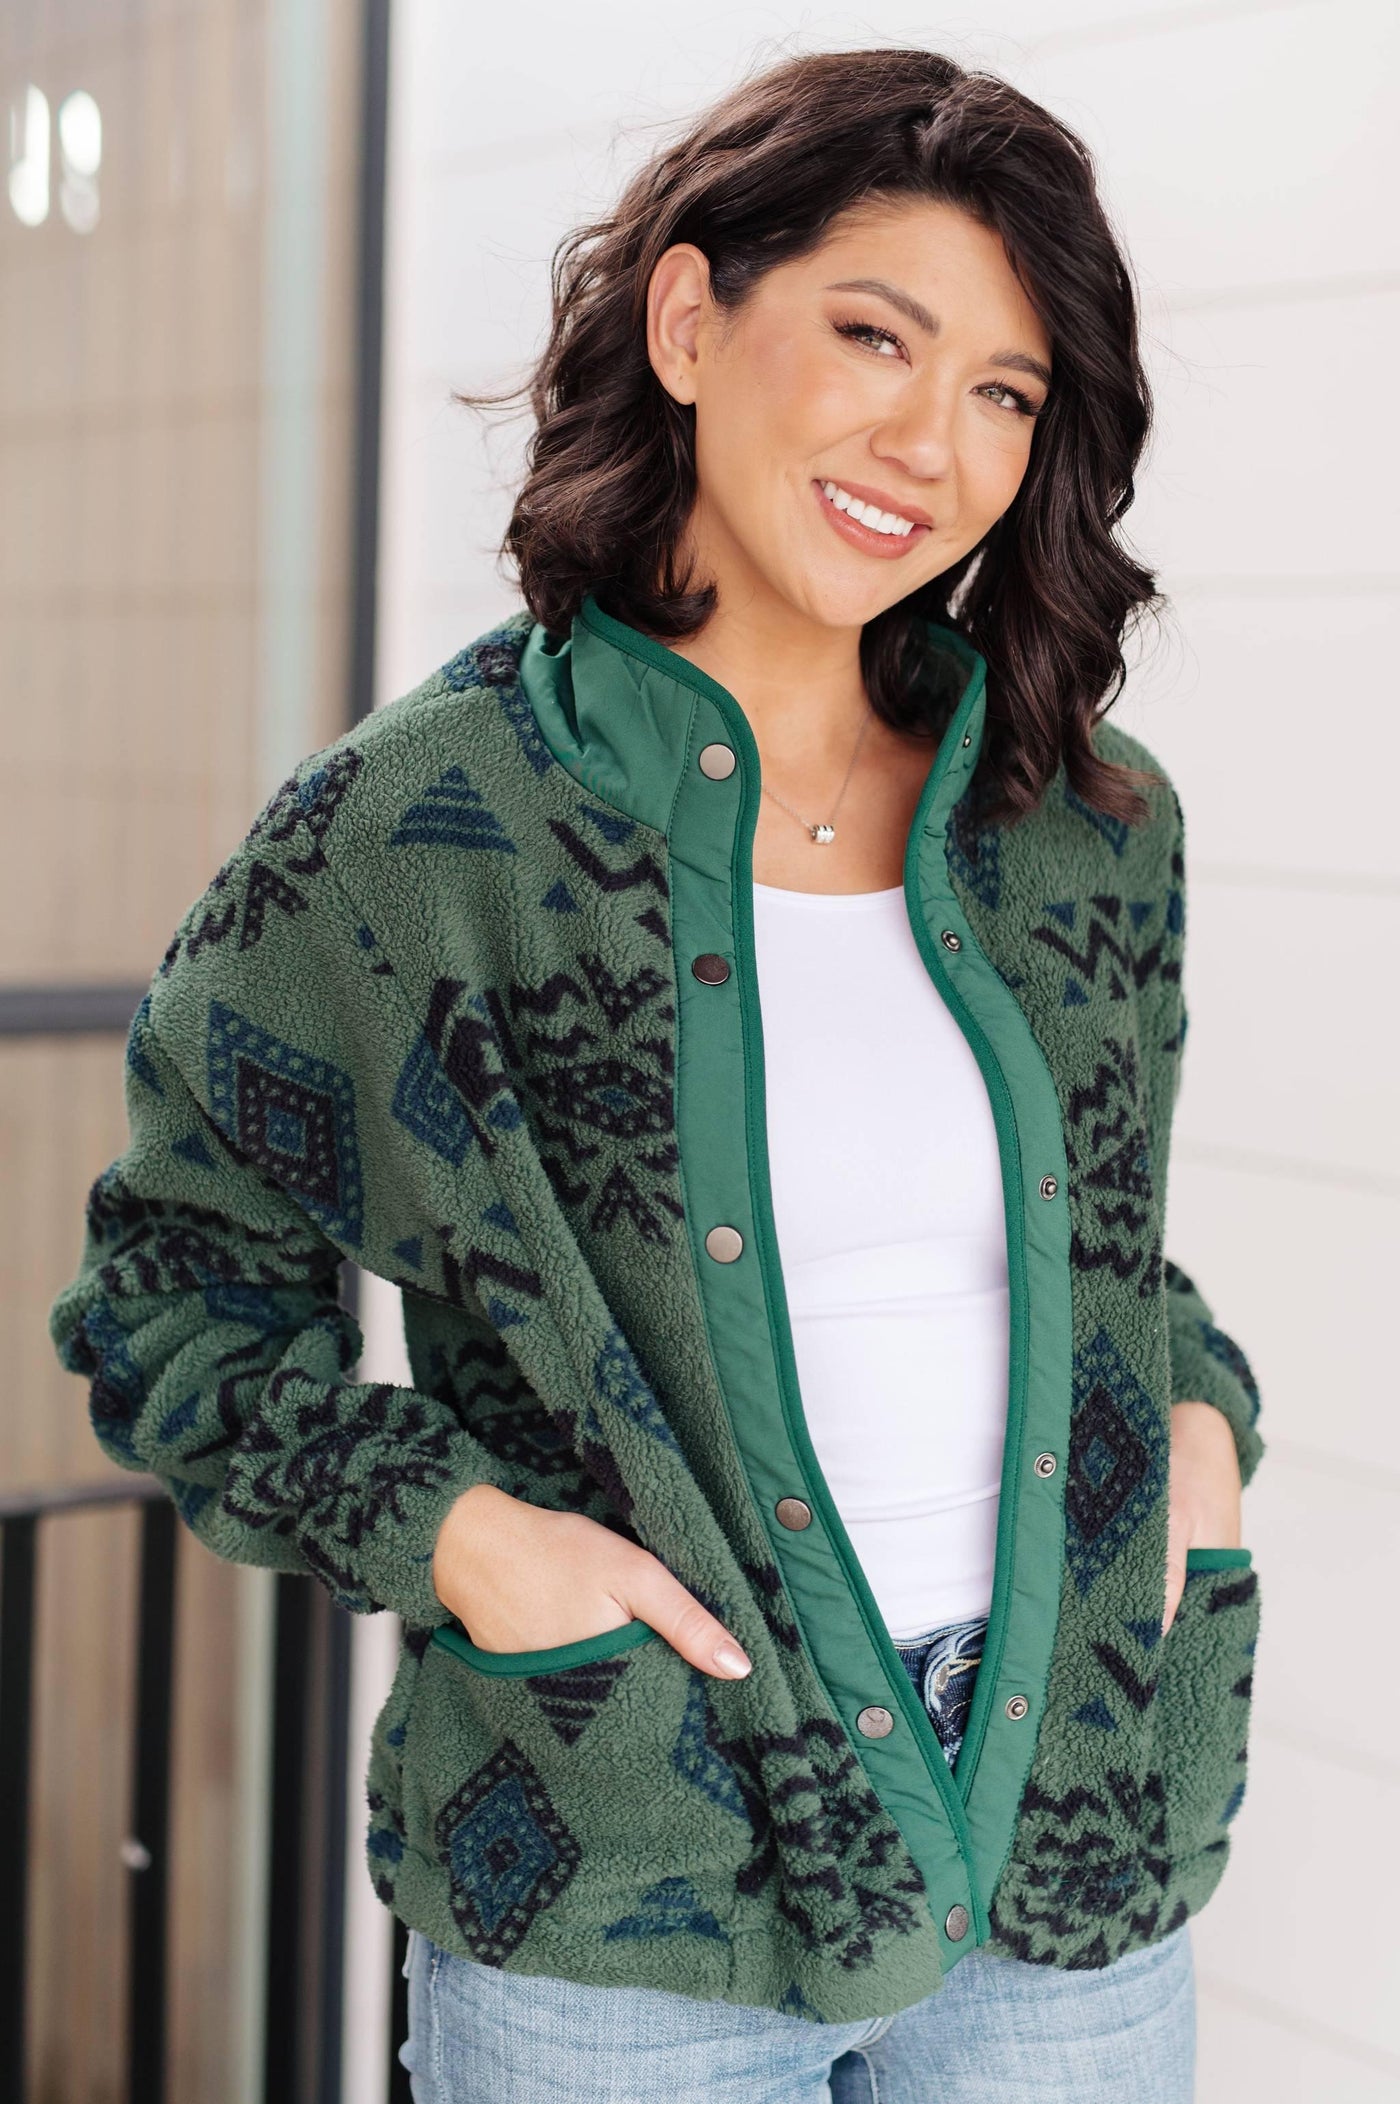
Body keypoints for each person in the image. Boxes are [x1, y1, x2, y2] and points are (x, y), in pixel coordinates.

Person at [50, 46, 1264, 2104]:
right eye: (873, 336)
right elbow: (168, 1307)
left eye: (1003, 392)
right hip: (634, 1881)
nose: (929, 440)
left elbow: (1097, 1254)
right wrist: (459, 1536)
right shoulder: (420, 833)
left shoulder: (1084, 822)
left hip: (1069, 1850)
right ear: (691, 320)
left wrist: (1201, 1437)